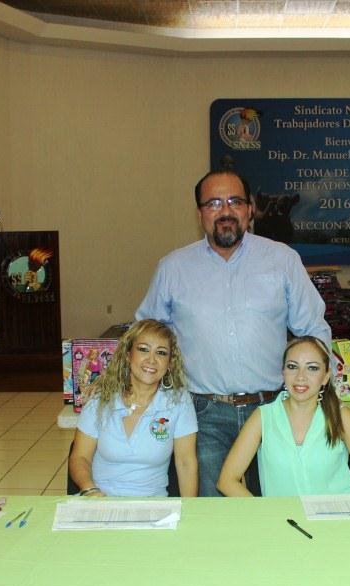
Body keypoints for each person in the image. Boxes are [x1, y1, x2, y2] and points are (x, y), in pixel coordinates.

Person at [136, 169, 331, 496]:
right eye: (213, 203)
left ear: (250, 209)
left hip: (273, 410)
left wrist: (316, 393)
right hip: (204, 415)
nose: (225, 211)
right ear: (199, 213)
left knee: (276, 506)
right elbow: (145, 336)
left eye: (234, 202)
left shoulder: (282, 260)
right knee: (217, 513)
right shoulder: (173, 268)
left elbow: (313, 329)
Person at [217, 336, 350, 497]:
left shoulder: (341, 416)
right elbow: (226, 481)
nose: (300, 377)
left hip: (337, 513)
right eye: (292, 367)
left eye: (312, 368)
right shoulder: (263, 417)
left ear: (325, 377)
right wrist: (265, 513)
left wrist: (348, 513)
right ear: (283, 372)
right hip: (285, 517)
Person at [68, 319, 198, 497]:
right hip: (99, 499)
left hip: (153, 505)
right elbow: (80, 457)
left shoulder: (179, 401)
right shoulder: (100, 398)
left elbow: (186, 463)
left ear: (169, 363)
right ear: (128, 355)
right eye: (143, 349)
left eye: (161, 353)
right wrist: (90, 490)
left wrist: (189, 509)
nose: (151, 360)